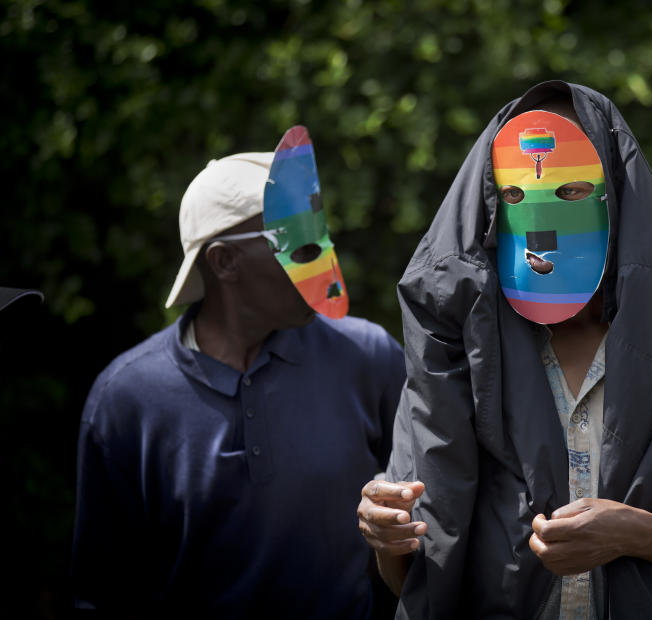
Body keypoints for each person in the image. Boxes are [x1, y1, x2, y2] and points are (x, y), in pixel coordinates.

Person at [357, 81, 652, 618]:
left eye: (571, 192)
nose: (544, 223)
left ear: (615, 193)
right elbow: (416, 582)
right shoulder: (455, 363)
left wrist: (638, 534)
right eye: (515, 195)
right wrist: (388, 538)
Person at [72, 152, 406, 618]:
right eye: (295, 241)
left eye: (319, 233)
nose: (322, 256)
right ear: (224, 262)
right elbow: (104, 591)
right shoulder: (127, 399)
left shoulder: (368, 357)